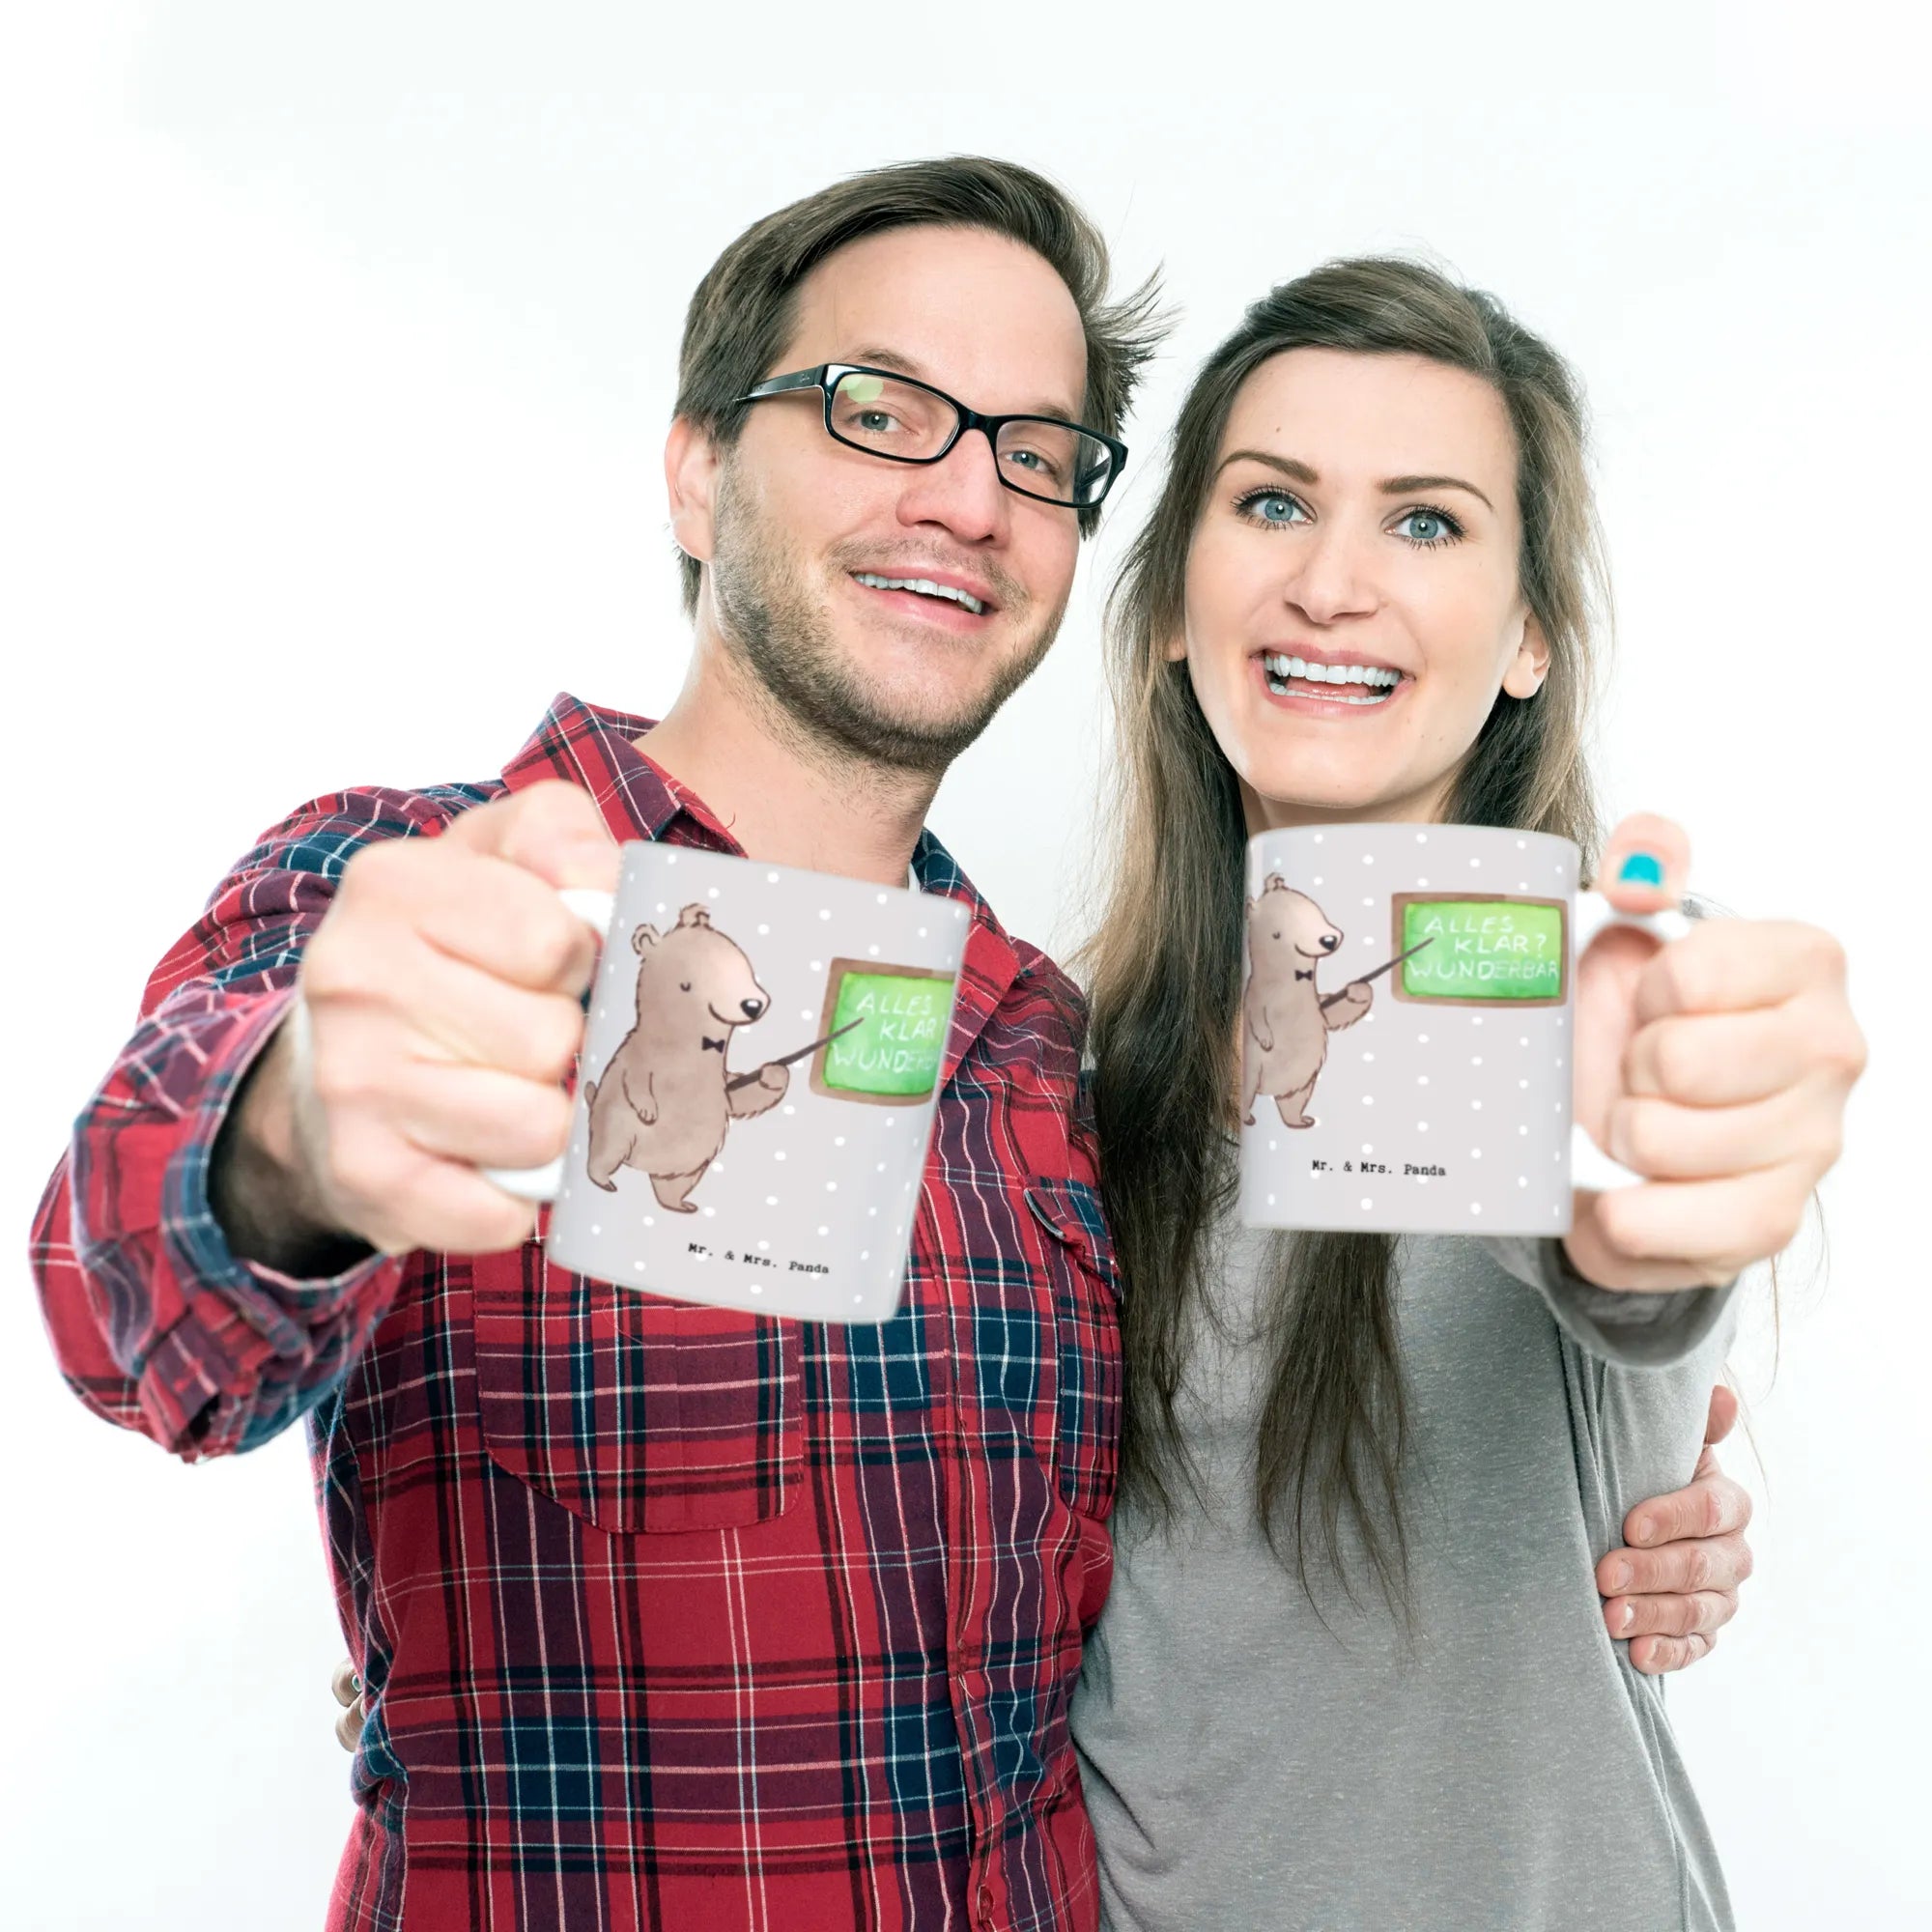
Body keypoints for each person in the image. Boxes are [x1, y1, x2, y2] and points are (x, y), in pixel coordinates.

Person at [34, 159, 1760, 1932]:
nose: (966, 496)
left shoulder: (1042, 1054)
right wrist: (297, 1140)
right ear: (699, 467)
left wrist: (1644, 1385)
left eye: (1034, 450)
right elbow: (122, 1288)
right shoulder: (420, 893)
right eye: (880, 409)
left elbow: (1579, 1261)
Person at [1071, 258, 1866, 1930]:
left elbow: (1625, 1251)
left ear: (1527, 639)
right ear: (1170, 606)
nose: (1332, 583)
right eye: (1272, 503)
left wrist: (1663, 1184)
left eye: (1426, 522)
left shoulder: (1591, 998)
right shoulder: (1064, 1074)